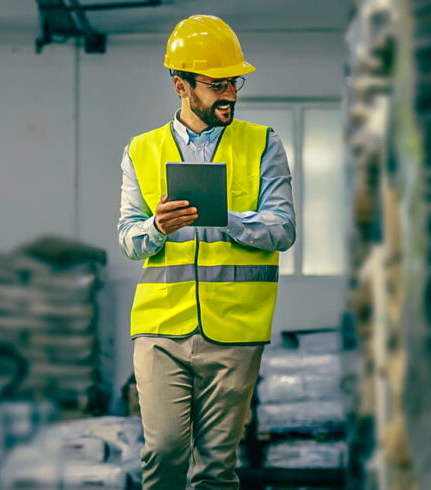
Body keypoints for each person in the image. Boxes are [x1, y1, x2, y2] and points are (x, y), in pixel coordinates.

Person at [115, 14, 296, 490]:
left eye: (234, 82)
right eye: (217, 84)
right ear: (181, 86)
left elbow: (284, 228)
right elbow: (129, 238)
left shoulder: (263, 144)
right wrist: (156, 226)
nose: (231, 94)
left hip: (235, 329)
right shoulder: (141, 150)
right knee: (165, 451)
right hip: (160, 328)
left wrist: (226, 218)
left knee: (216, 468)